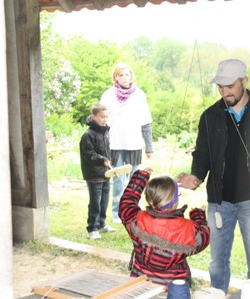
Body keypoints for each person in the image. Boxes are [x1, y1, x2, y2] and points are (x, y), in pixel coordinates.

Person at [177, 59, 250, 293]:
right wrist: (196, 176)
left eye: (230, 86)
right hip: (220, 202)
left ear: (245, 81)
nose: (224, 92)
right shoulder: (210, 116)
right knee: (217, 263)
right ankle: (217, 295)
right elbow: (203, 154)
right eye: (220, 87)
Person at [118, 168, 210, 286]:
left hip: (140, 285)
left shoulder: (136, 220)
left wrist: (140, 178)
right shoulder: (188, 230)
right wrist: (199, 216)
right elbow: (204, 237)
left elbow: (127, 202)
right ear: (175, 201)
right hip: (173, 289)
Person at [100, 63, 154, 224]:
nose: (124, 77)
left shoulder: (139, 95)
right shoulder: (108, 95)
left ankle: (132, 211)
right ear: (115, 77)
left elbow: (146, 123)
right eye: (121, 75)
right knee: (118, 179)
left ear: (131, 76)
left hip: (134, 144)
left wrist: (149, 147)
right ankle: (117, 213)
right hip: (114, 144)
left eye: (127, 74)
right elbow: (101, 122)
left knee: (135, 179)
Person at [79, 103, 117, 240]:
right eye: (101, 117)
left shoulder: (105, 132)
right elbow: (88, 154)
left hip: (105, 173)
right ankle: (92, 228)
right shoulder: (88, 135)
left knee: (104, 201)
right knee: (95, 202)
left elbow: (106, 151)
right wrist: (102, 159)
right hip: (93, 174)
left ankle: (102, 224)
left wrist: (107, 161)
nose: (104, 119)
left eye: (106, 117)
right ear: (93, 116)